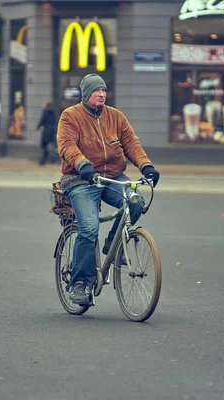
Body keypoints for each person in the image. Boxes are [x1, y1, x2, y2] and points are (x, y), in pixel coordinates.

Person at [56, 73, 161, 306]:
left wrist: (146, 166)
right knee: (89, 227)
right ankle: (80, 284)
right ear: (86, 94)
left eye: (104, 90)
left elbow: (132, 144)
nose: (102, 94)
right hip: (80, 179)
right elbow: (66, 146)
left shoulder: (116, 117)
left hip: (112, 178)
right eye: (96, 91)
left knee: (136, 202)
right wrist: (82, 164)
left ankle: (113, 246)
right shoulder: (70, 116)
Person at [36, 101, 58, 165]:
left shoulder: (45, 111)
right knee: (49, 145)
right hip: (52, 130)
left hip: (46, 130)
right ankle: (50, 158)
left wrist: (38, 126)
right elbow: (55, 121)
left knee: (44, 145)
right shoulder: (53, 112)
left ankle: (42, 160)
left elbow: (43, 120)